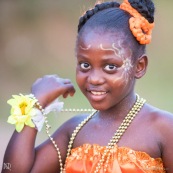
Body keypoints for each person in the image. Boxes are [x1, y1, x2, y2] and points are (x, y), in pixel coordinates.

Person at [2, 0, 173, 172]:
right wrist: (34, 105)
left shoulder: (164, 128)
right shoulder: (74, 131)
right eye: (85, 65)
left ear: (139, 66)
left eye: (110, 67)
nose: (95, 79)